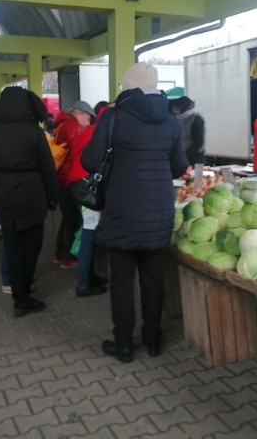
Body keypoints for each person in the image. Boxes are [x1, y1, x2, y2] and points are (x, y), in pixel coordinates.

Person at [82, 63, 188, 363]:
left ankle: (124, 345)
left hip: (122, 212)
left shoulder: (113, 117)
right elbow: (179, 167)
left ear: (127, 86)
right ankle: (154, 341)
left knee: (122, 284)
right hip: (158, 212)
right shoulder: (170, 120)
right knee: (154, 280)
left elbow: (90, 161)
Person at [0, 87, 59, 317]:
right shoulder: (33, 132)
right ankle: (25, 293)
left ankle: (19, 297)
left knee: (12, 248)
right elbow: (47, 168)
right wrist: (52, 197)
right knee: (32, 247)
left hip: (5, 194)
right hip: (32, 194)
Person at [67, 102, 109, 298]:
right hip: (88, 186)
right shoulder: (101, 133)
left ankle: (92, 276)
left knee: (89, 232)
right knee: (89, 234)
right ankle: (83, 283)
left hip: (78, 183)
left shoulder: (90, 131)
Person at [53, 100, 95, 269]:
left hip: (63, 177)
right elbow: (79, 149)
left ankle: (60, 252)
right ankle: (69, 255)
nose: (88, 123)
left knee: (68, 219)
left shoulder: (62, 124)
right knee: (74, 220)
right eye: (87, 118)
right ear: (79, 114)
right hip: (69, 178)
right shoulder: (71, 126)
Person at [171, 95, 206, 166]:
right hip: (181, 156)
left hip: (195, 158)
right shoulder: (178, 119)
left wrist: (185, 155)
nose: (176, 112)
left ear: (184, 108)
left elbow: (199, 141)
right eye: (175, 109)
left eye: (178, 109)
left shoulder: (196, 119)